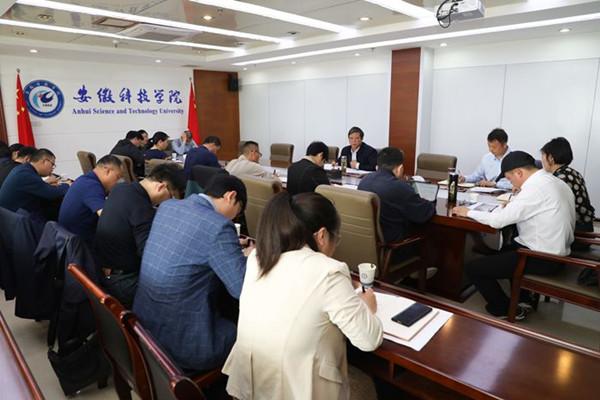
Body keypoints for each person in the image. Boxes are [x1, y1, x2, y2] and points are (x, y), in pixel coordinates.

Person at [223, 192, 383, 399]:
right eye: (337, 238)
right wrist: (367, 307)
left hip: (248, 389)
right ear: (322, 235)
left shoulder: (258, 257)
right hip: (296, 392)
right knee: (366, 386)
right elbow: (369, 341)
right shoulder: (328, 271)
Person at [133, 174, 253, 371]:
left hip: (145, 326)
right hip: (184, 343)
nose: (234, 218)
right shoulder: (219, 226)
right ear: (231, 196)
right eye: (237, 212)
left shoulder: (168, 207)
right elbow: (240, 288)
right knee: (249, 334)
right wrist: (249, 258)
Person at [452, 151, 575, 320]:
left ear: (519, 173)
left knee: (474, 269)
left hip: (543, 257)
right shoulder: (553, 181)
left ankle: (505, 309)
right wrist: (516, 201)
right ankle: (524, 299)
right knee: (504, 252)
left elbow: (498, 221)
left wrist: (468, 212)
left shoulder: (535, 189)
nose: (510, 183)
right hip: (558, 251)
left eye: (509, 179)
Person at [95, 163, 185, 308]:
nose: (167, 201)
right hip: (122, 282)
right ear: (161, 187)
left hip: (102, 270)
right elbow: (150, 258)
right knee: (181, 287)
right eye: (171, 196)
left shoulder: (121, 188)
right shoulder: (142, 209)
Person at [58, 155, 122, 242]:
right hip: (81, 243)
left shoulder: (84, 179)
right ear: (108, 171)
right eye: (118, 177)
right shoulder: (93, 186)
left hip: (68, 238)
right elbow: (108, 219)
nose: (117, 182)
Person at [541, 137, 595, 232]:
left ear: (550, 158)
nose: (542, 160)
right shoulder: (571, 172)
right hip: (585, 223)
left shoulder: (560, 178)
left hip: (575, 228)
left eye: (543, 156)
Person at [0, 149, 70, 219]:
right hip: (15, 220)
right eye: (52, 164)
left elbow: (40, 187)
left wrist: (47, 185)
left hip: (10, 215)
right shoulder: (27, 175)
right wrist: (67, 185)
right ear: (44, 161)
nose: (52, 168)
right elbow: (52, 194)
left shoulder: (23, 169)